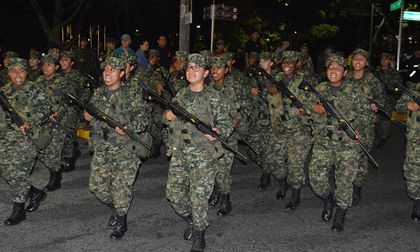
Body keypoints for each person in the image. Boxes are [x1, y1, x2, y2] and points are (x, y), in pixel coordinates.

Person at [165, 53, 231, 251]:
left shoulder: (214, 97)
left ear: (206, 73)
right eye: (188, 68)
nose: (191, 71)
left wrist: (218, 132)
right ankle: (191, 221)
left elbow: (226, 125)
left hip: (203, 156)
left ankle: (200, 234)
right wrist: (167, 115)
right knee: (174, 194)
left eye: (196, 68)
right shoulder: (181, 95)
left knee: (198, 197)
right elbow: (167, 117)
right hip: (180, 153)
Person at [84, 56, 151, 239]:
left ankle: (121, 219)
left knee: (121, 188)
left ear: (122, 73)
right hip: (103, 146)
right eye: (106, 69)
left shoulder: (132, 94)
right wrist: (88, 115)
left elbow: (144, 118)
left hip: (126, 148)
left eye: (112, 70)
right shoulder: (98, 93)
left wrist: (129, 128)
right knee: (97, 187)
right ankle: (116, 207)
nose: (107, 73)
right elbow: (89, 112)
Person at [308, 54, 366, 232]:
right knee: (316, 179)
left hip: (347, 143)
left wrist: (359, 133)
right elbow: (308, 106)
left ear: (345, 72)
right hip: (323, 141)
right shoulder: (319, 88)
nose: (333, 71)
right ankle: (328, 201)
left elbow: (365, 115)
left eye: (337, 68)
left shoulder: (355, 91)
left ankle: (340, 213)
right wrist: (315, 108)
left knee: (344, 181)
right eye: (330, 67)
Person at [0, 58, 50, 225]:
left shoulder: (33, 89)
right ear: (8, 74)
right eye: (13, 71)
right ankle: (35, 193)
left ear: (26, 73)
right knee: (7, 171)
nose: (18, 75)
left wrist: (31, 121)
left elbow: (46, 108)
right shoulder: (4, 91)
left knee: (19, 172)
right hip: (6, 138)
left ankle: (18, 209)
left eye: (21, 71)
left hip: (27, 138)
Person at [266, 51, 313, 210]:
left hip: (298, 130)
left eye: (291, 62)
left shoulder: (304, 82)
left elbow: (313, 104)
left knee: (295, 164)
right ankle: (282, 183)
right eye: (285, 62)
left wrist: (305, 110)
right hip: (278, 129)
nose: (287, 65)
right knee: (275, 163)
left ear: (298, 64)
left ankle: (295, 194)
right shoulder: (275, 80)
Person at [207, 55, 251, 216]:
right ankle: (215, 190)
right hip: (209, 135)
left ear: (226, 69)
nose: (215, 71)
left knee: (223, 169)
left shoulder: (235, 87)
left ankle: (226, 198)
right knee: (211, 168)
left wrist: (235, 120)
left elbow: (247, 106)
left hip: (228, 136)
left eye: (218, 68)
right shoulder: (207, 88)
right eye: (212, 68)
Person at [345, 49, 384, 206]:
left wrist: (377, 105)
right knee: (346, 154)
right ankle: (344, 185)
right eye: (355, 59)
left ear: (366, 63)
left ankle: (357, 187)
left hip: (365, 124)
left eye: (361, 59)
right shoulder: (345, 77)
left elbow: (381, 98)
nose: (357, 61)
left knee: (361, 156)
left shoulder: (372, 80)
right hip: (347, 123)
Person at [34, 55, 73, 192]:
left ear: (56, 67)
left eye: (49, 65)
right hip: (40, 123)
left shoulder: (63, 82)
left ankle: (55, 179)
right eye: (44, 64)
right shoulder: (37, 82)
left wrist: (59, 112)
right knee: (39, 150)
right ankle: (55, 169)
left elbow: (70, 102)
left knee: (53, 152)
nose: (45, 67)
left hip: (57, 123)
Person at [395, 82, 420, 222]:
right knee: (412, 179)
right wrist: (407, 106)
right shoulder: (413, 90)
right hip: (414, 144)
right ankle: (417, 199)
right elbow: (398, 107)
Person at [58, 51, 86, 172]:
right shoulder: (57, 76)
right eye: (61, 60)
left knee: (68, 133)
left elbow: (86, 92)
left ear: (72, 63)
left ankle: (69, 159)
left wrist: (79, 104)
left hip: (72, 109)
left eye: (66, 60)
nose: (62, 62)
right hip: (58, 108)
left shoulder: (78, 76)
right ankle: (68, 152)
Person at [374, 52, 403, 147]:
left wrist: (391, 89)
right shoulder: (376, 71)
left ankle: (383, 137)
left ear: (389, 61)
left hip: (389, 98)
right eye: (382, 58)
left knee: (385, 117)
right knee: (377, 118)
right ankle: (380, 134)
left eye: (386, 59)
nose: (383, 60)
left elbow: (399, 87)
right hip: (377, 98)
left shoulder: (393, 73)